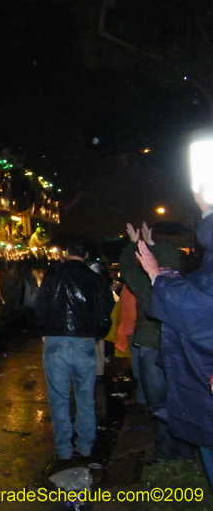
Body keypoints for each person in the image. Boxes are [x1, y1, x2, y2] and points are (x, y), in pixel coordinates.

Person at [135, 188, 213, 486]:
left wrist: (156, 274)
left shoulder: (177, 275)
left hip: (155, 345)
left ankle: (171, 454)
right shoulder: (193, 269)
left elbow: (198, 307)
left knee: (162, 402)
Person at [33, 238, 114, 459]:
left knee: (58, 398)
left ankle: (63, 450)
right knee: (85, 396)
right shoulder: (95, 279)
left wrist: (43, 331)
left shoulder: (53, 275)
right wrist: (97, 333)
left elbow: (39, 304)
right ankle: (86, 445)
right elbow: (107, 308)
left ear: (67, 252)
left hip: (55, 341)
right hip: (84, 342)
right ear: (86, 255)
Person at [121, 221, 195, 462]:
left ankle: (166, 453)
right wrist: (153, 244)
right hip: (182, 348)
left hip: (152, 346)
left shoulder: (146, 285)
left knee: (159, 404)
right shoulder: (186, 282)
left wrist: (134, 243)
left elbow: (127, 270)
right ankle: (184, 452)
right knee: (181, 401)